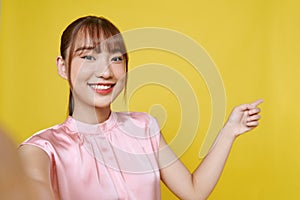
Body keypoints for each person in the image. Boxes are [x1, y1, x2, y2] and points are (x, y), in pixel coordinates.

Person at [18, 15, 263, 200]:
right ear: (62, 66)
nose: (104, 72)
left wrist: (229, 131)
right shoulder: (43, 148)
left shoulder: (143, 127)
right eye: (88, 57)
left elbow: (194, 191)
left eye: (115, 58)